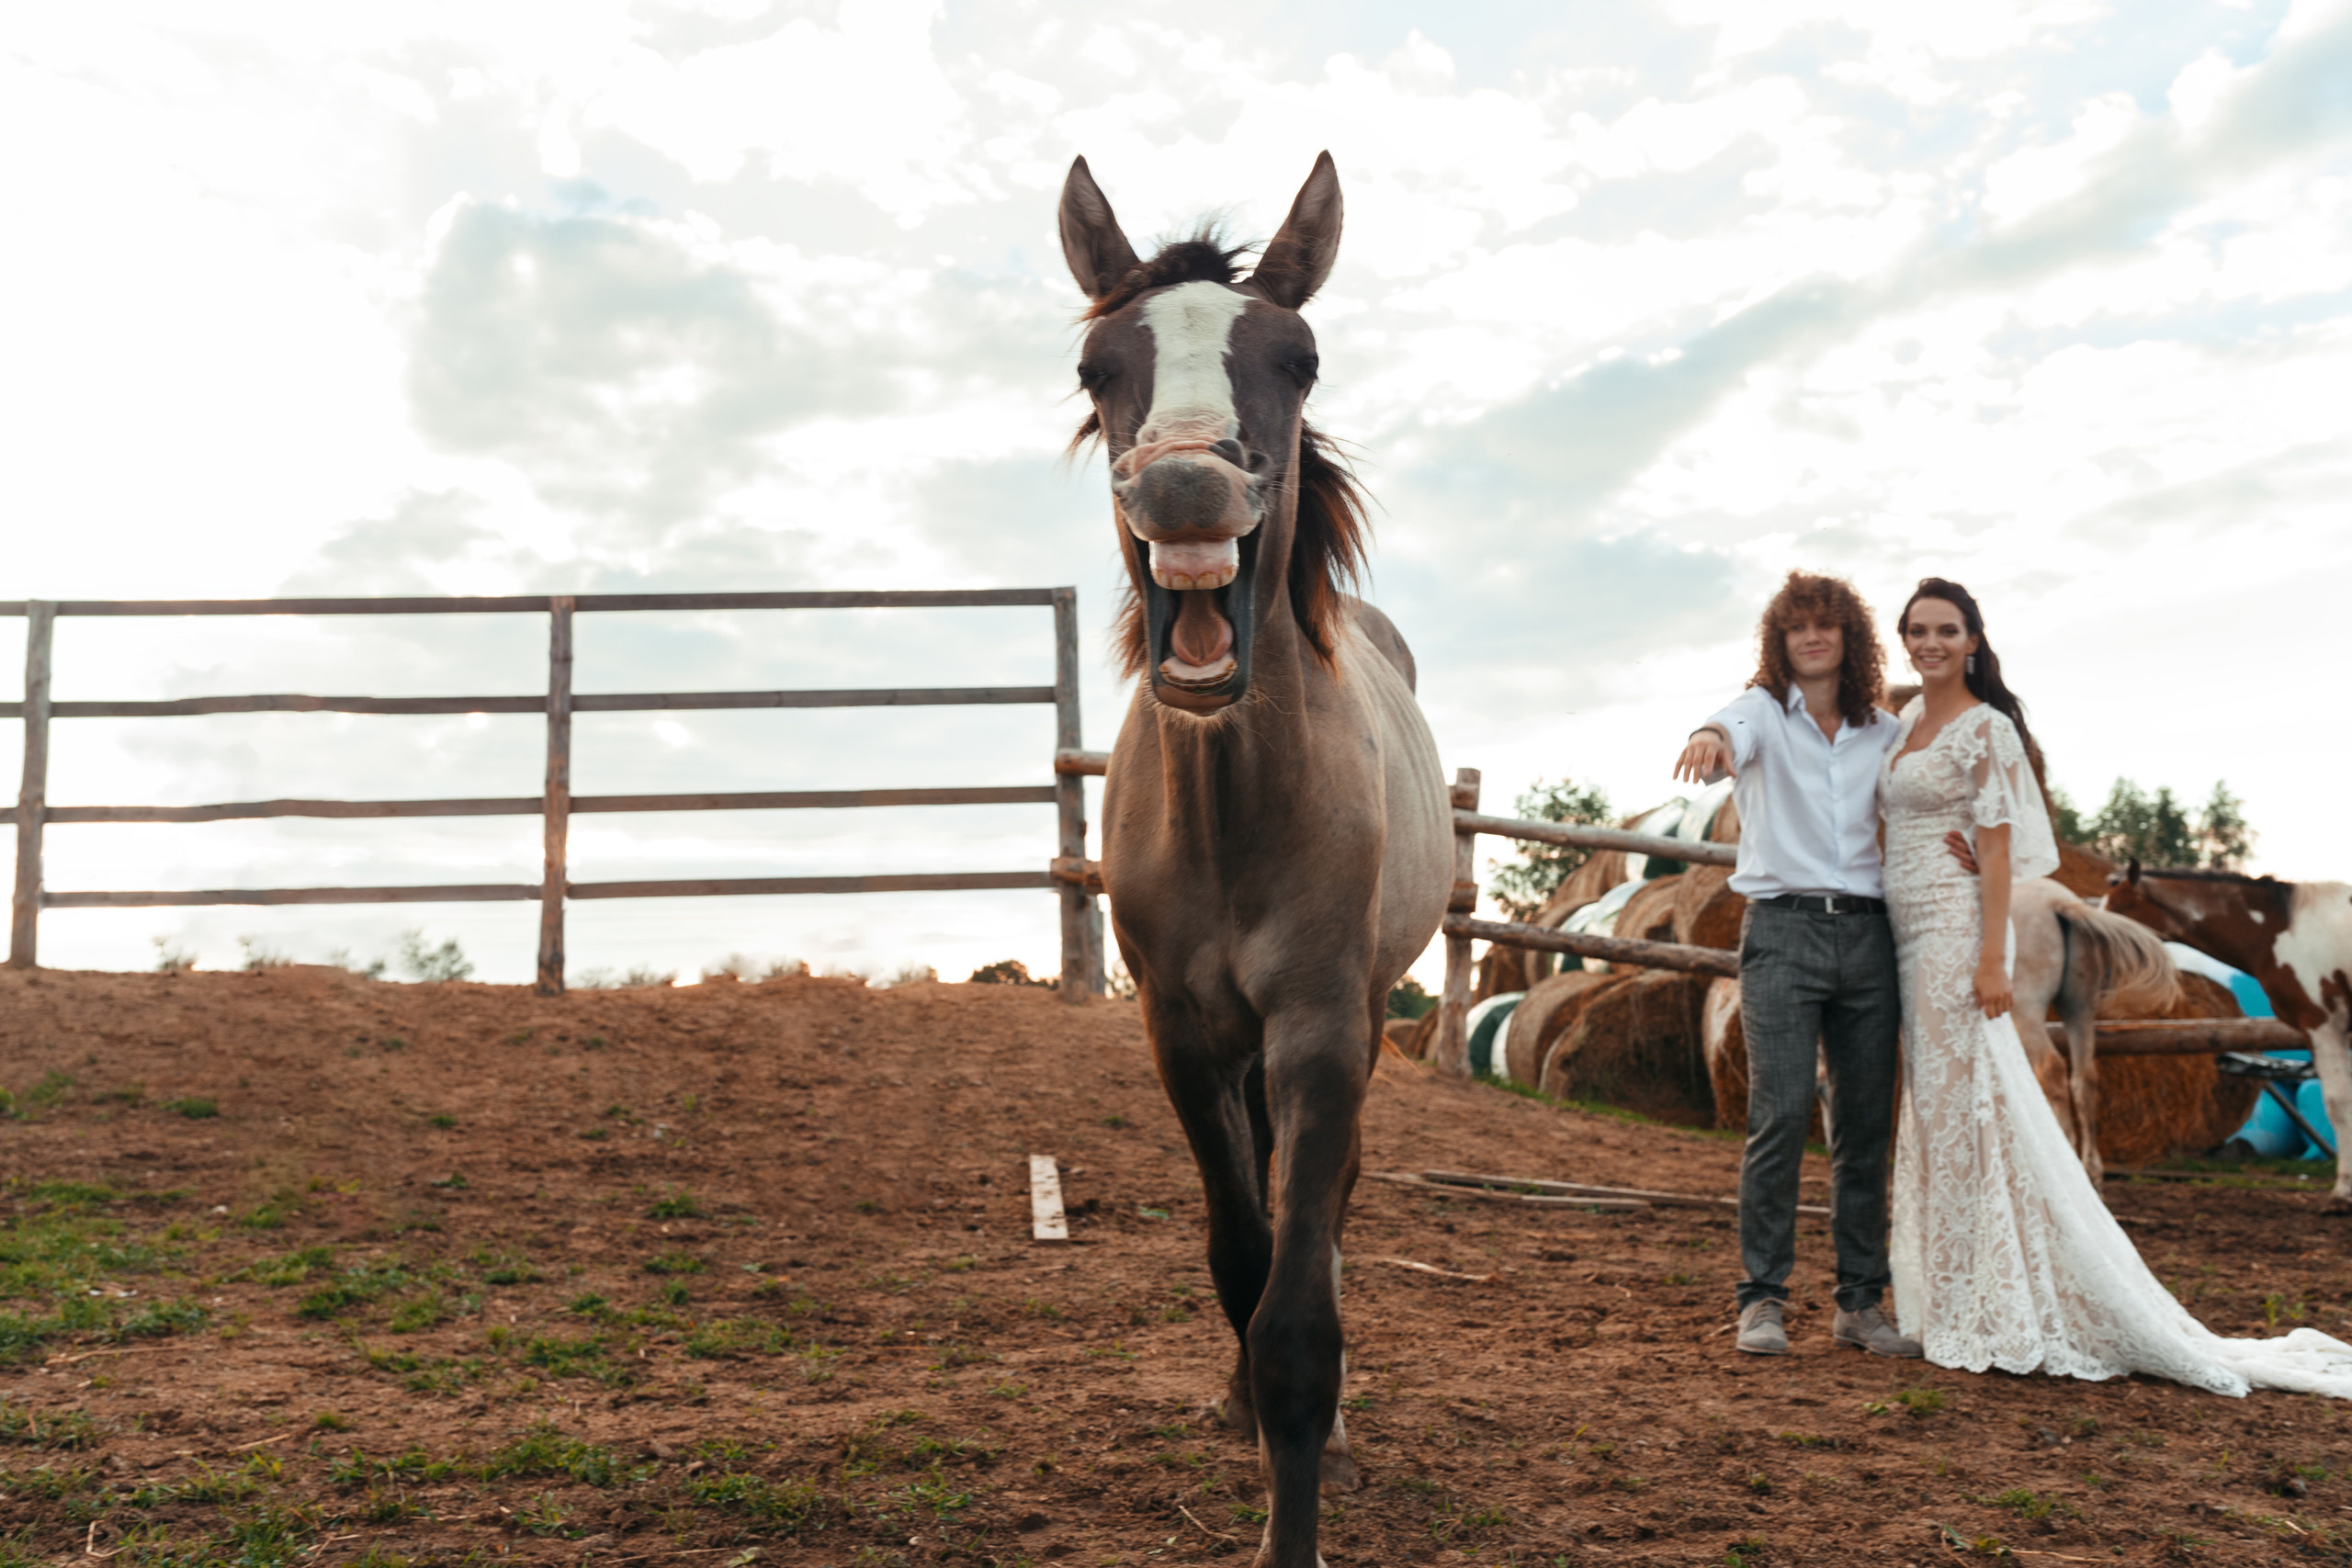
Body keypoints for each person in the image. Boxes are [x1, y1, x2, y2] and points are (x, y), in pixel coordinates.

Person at [1880, 576, 2352, 1394]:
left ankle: (2001, 1294)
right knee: (1939, 1110)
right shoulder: (1906, 721)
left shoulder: (1987, 727)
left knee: (1976, 1106)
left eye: (1946, 630)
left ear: (1973, 641)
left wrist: (1991, 958)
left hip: (1956, 933)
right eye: (1918, 630)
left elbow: (1999, 849)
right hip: (1905, 930)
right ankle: (1951, 1290)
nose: (1931, 643)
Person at [1674, 571, 1920, 1359]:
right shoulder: (1761, 713)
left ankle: (1860, 1303)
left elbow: (1919, 805)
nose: (1811, 637)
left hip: (1870, 938)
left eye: (1826, 624)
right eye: (1796, 627)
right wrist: (1707, 736)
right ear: (1779, 642)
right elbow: (1727, 727)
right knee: (1778, 1115)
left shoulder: (1885, 731)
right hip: (1782, 933)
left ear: (1851, 637)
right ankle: (1762, 1300)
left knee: (1865, 1125)